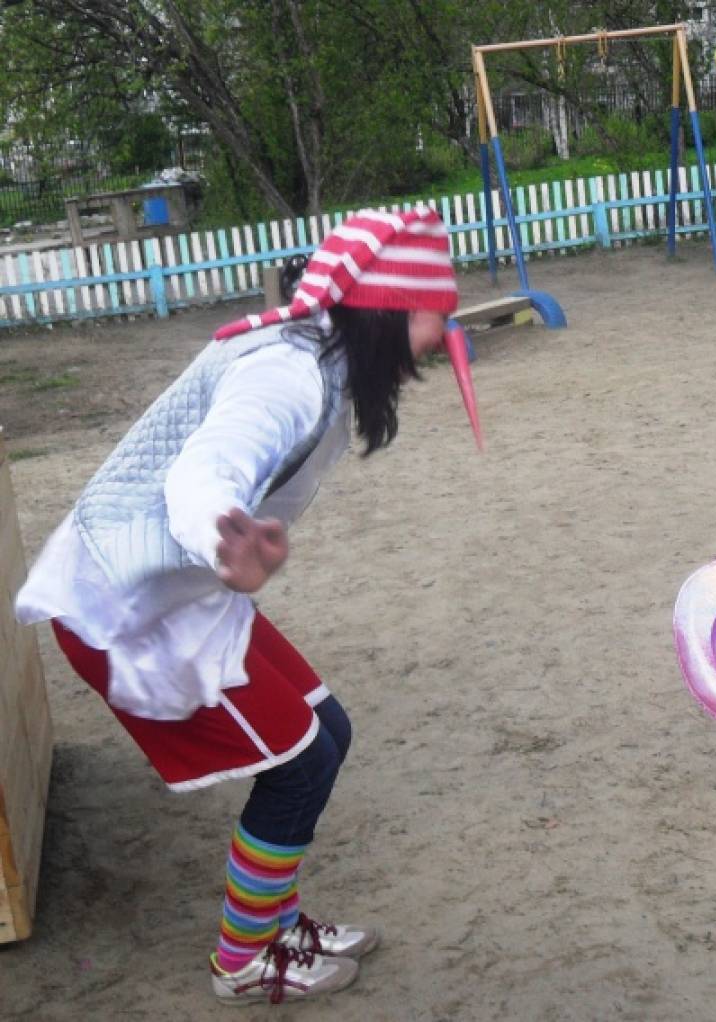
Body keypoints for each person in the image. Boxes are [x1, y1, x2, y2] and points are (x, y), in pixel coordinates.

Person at [15, 207, 477, 1003]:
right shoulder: (286, 374)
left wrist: (222, 554)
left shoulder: (318, 361)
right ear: (386, 312)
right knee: (299, 768)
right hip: (127, 611)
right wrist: (222, 534)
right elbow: (204, 472)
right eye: (434, 314)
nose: (444, 336)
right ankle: (242, 958)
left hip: (191, 590)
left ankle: (275, 926)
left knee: (326, 733)